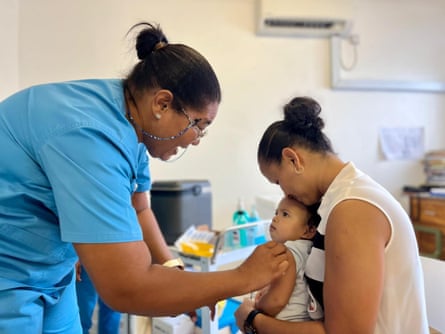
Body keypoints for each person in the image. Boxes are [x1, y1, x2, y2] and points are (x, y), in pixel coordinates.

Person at [0, 22, 289, 333]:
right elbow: (127, 286)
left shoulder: (129, 119)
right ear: (162, 104)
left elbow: (138, 208)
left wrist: (175, 271)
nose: (197, 139)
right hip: (10, 272)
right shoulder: (92, 136)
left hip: (50, 272)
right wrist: (241, 278)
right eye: (199, 124)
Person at [235, 97, 429, 334]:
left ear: (293, 160)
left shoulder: (352, 209)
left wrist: (253, 321)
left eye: (278, 181)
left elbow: (347, 332)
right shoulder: (340, 197)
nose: (284, 193)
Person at [254, 196, 321, 323]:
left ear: (309, 231)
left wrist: (255, 307)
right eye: (276, 213)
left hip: (284, 322)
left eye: (285, 214)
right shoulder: (308, 250)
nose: (275, 218)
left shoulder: (287, 253)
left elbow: (276, 302)